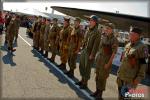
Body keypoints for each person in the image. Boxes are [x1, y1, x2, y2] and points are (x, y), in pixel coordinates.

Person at [117, 27, 148, 100]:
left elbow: (144, 64)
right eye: (130, 34)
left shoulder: (143, 47)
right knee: (120, 96)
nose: (130, 35)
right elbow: (124, 60)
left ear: (137, 35)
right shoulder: (128, 44)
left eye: (132, 34)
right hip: (121, 76)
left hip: (130, 79)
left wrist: (139, 77)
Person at [91, 23, 118, 99]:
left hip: (105, 62)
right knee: (97, 77)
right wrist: (96, 57)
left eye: (108, 28)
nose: (106, 30)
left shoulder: (114, 40)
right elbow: (100, 49)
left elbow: (113, 54)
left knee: (102, 79)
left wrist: (108, 64)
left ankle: (100, 95)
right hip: (99, 60)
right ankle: (97, 91)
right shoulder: (104, 37)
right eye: (106, 28)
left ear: (112, 30)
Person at [75, 15, 101, 89]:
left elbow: (96, 45)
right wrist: (81, 48)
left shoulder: (97, 32)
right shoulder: (88, 29)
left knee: (87, 68)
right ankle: (82, 80)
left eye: (92, 20)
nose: (90, 22)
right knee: (82, 66)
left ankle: (85, 83)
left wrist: (92, 55)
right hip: (84, 50)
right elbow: (85, 40)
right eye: (90, 20)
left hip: (90, 53)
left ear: (95, 22)